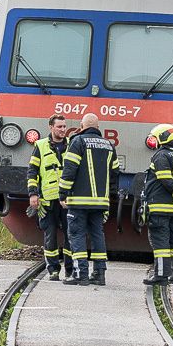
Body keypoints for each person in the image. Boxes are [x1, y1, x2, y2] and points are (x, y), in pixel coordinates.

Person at [60, 112, 116, 285]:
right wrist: (110, 198)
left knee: (76, 235)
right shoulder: (109, 145)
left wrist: (62, 193)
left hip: (79, 201)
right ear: (98, 128)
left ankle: (80, 273)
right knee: (98, 235)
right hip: (100, 202)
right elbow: (114, 174)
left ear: (81, 126)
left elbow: (69, 170)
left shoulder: (77, 142)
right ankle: (99, 274)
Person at [143, 126, 173, 285]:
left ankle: (161, 276)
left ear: (162, 137)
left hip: (160, 207)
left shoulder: (160, 156)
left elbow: (166, 182)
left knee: (160, 242)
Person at [29, 115, 73, 278]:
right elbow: (32, 171)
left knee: (71, 234)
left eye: (64, 126)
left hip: (68, 199)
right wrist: (33, 194)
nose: (63, 130)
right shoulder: (40, 146)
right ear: (51, 127)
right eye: (59, 127)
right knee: (50, 235)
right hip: (48, 200)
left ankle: (70, 269)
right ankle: (53, 269)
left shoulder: (73, 145)